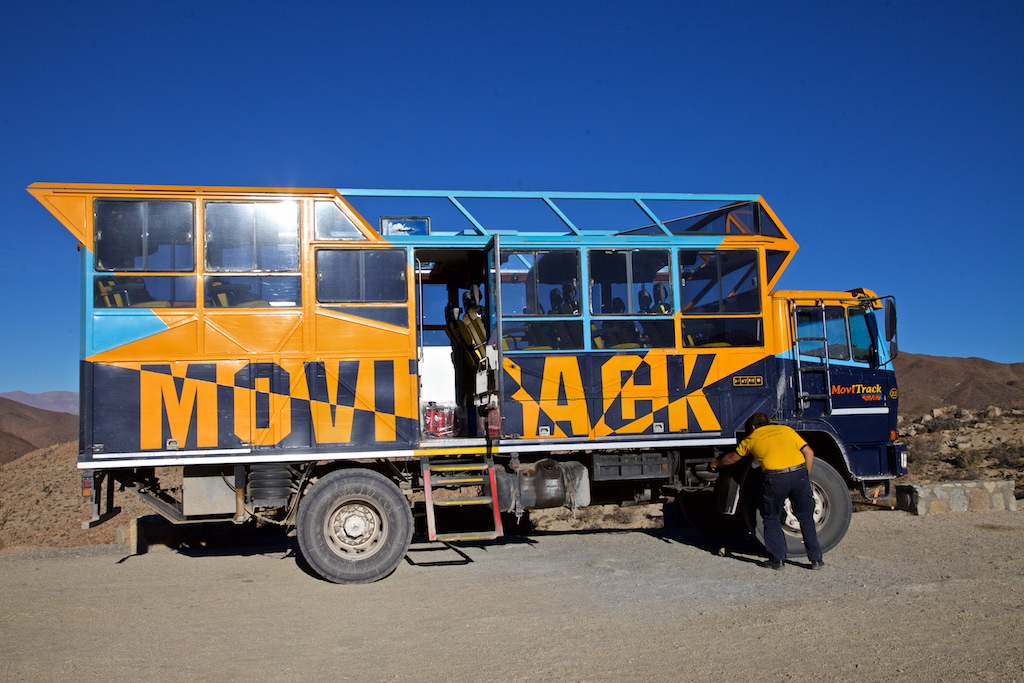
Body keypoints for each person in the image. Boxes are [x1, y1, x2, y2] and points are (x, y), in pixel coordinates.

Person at [709, 413, 824, 571]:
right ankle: (816, 560)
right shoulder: (786, 430)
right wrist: (805, 475)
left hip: (776, 478)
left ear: (753, 427)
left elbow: (732, 458)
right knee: (805, 517)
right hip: (799, 474)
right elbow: (809, 452)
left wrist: (716, 463)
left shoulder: (753, 437)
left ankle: (777, 560)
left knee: (771, 517)